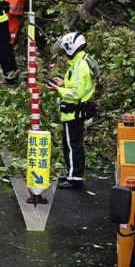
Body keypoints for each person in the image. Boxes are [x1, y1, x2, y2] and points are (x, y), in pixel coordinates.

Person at [45, 32, 99, 190]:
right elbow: (77, 85)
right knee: (72, 144)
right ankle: (72, 173)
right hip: (75, 112)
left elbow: (76, 93)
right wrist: (62, 83)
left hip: (73, 112)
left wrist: (58, 89)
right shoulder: (80, 62)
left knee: (72, 145)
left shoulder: (80, 66)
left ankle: (74, 178)